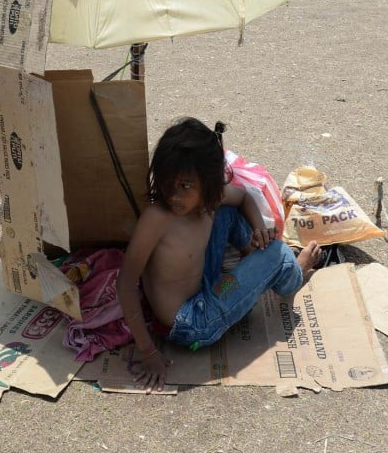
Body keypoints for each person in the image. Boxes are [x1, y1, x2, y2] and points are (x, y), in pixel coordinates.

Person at [117, 118, 322, 390]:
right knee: (275, 251)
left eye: (186, 186)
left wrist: (259, 228)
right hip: (193, 322)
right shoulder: (157, 217)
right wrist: (149, 353)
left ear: (209, 184)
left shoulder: (211, 199)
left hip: (205, 286)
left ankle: (258, 268)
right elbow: (125, 283)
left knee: (227, 213)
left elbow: (244, 197)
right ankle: (293, 274)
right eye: (168, 183)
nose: (174, 195)